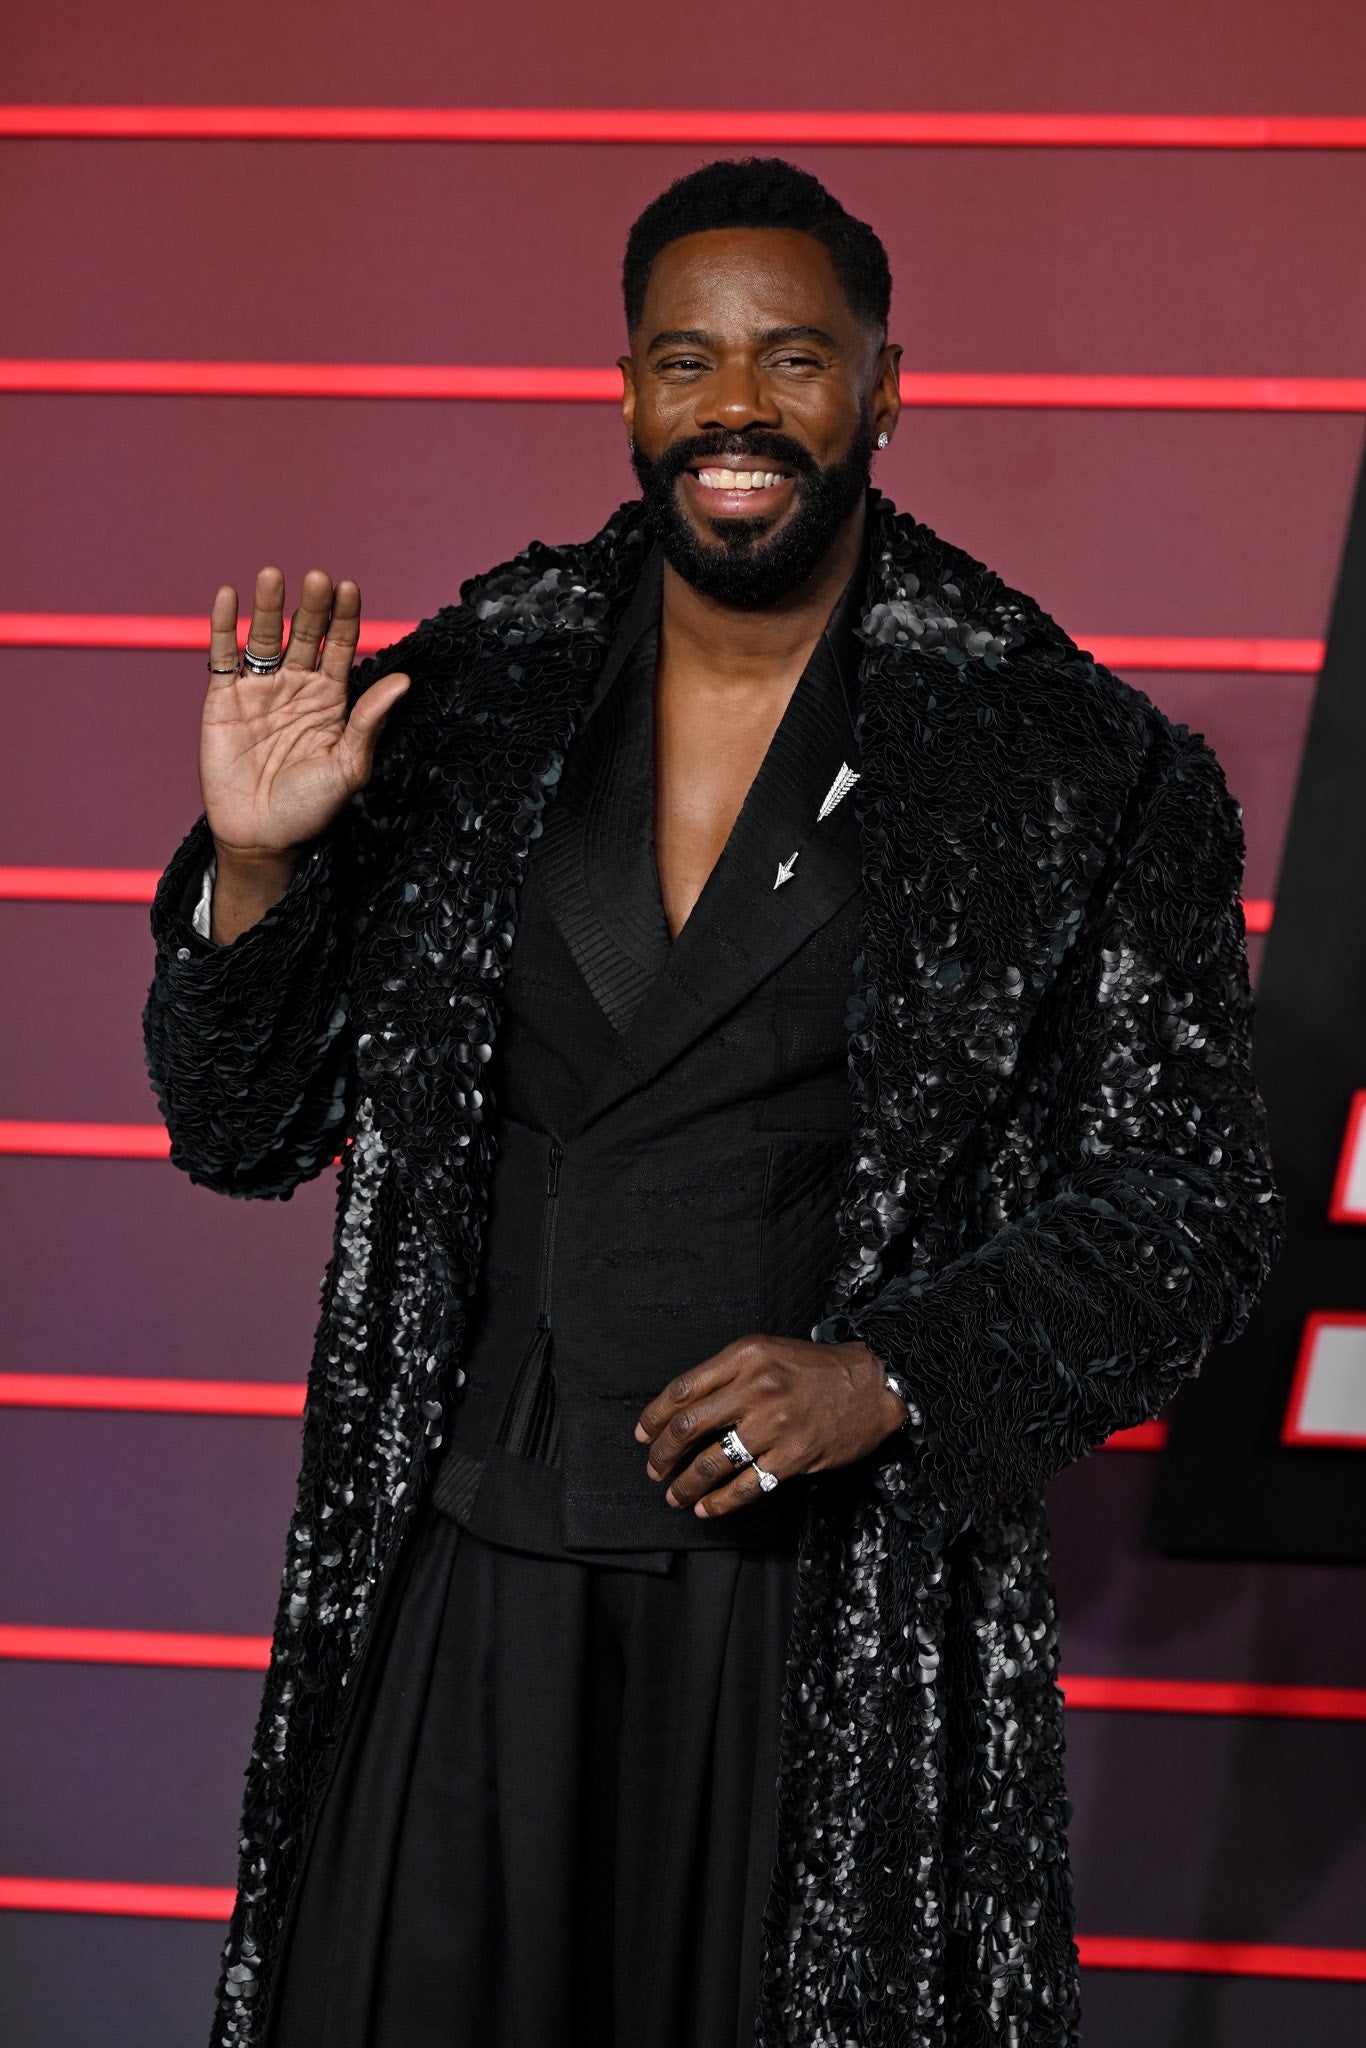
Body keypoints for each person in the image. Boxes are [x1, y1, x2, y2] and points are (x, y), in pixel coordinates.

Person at [142, 157, 1282, 2048]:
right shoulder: (460, 705)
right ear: (627, 391)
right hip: (474, 1559)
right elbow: (239, 1124)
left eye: (791, 360)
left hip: (818, 1609)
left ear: (884, 390)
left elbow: (1191, 1208)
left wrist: (891, 1373)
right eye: (686, 361)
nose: (734, 409)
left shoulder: (1073, 766)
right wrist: (257, 873)